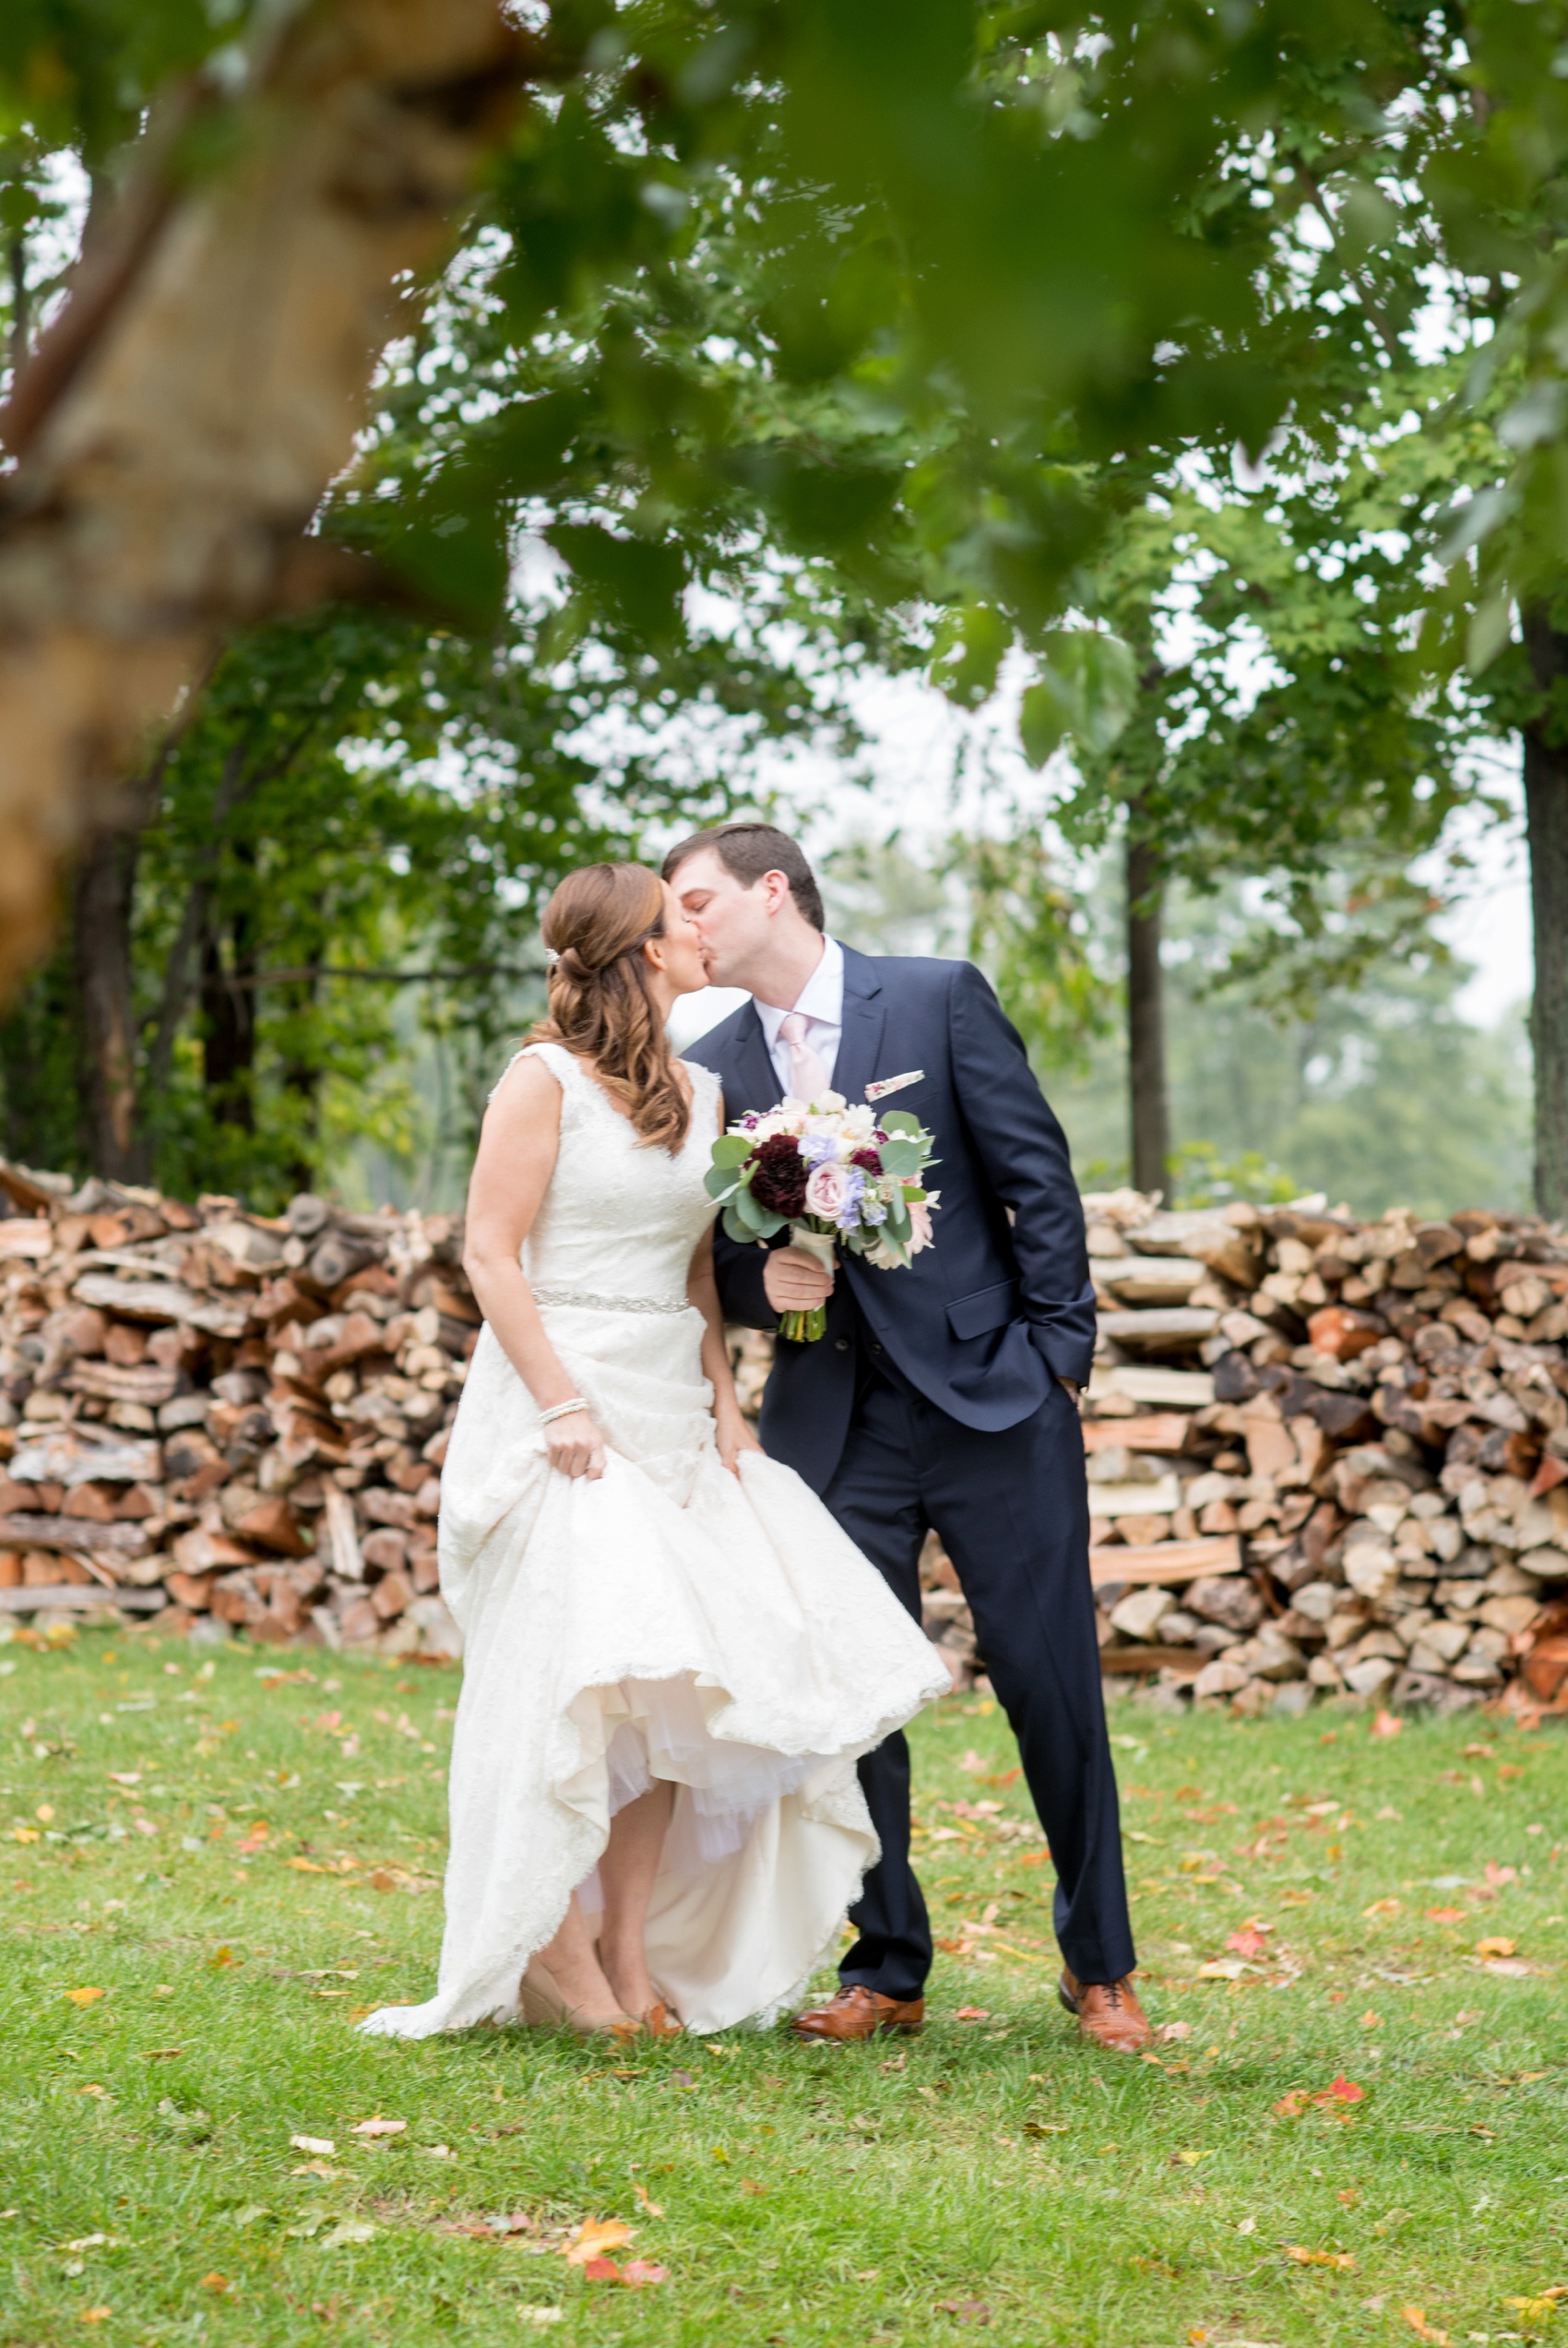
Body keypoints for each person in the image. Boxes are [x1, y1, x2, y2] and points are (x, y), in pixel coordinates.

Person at [360, 863, 946, 2044]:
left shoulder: (701, 1088)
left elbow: (691, 1263)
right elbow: (489, 1254)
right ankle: (554, 1954)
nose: (699, 929)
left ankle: (628, 1952)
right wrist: (561, 1403)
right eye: (678, 918)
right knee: (576, 1684)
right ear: (636, 950)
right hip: (561, 1403)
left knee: (672, 1690)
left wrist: (725, 1401)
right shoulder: (541, 1082)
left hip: (672, 1403)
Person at [671, 821, 1151, 2053]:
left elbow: (1034, 1177)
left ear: (773, 891)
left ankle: (1100, 1968)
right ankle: (887, 1966)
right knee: (857, 1700)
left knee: (1052, 1685)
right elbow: (709, 1252)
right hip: (836, 1420)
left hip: (996, 1401)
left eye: (700, 900)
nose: (689, 928)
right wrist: (751, 1284)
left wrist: (1059, 1359)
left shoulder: (936, 1000)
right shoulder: (716, 1059)